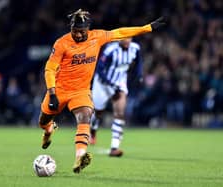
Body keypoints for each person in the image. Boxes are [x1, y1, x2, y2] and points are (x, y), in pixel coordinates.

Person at [37, 8, 166, 173]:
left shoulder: (97, 37)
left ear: (88, 29)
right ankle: (48, 130)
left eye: (81, 31)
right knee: (43, 121)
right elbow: (49, 68)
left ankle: (80, 157)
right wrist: (52, 93)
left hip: (81, 91)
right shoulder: (61, 43)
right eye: (74, 31)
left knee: (85, 117)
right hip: (59, 90)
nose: (77, 35)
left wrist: (147, 27)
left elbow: (120, 32)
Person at [90, 38, 143, 157]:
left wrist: (139, 75)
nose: (127, 40)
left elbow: (139, 62)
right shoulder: (110, 49)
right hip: (102, 84)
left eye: (129, 37)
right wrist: (110, 84)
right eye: (124, 37)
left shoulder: (135, 48)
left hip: (119, 83)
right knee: (98, 112)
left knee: (119, 113)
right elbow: (99, 69)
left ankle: (114, 147)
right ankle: (93, 130)